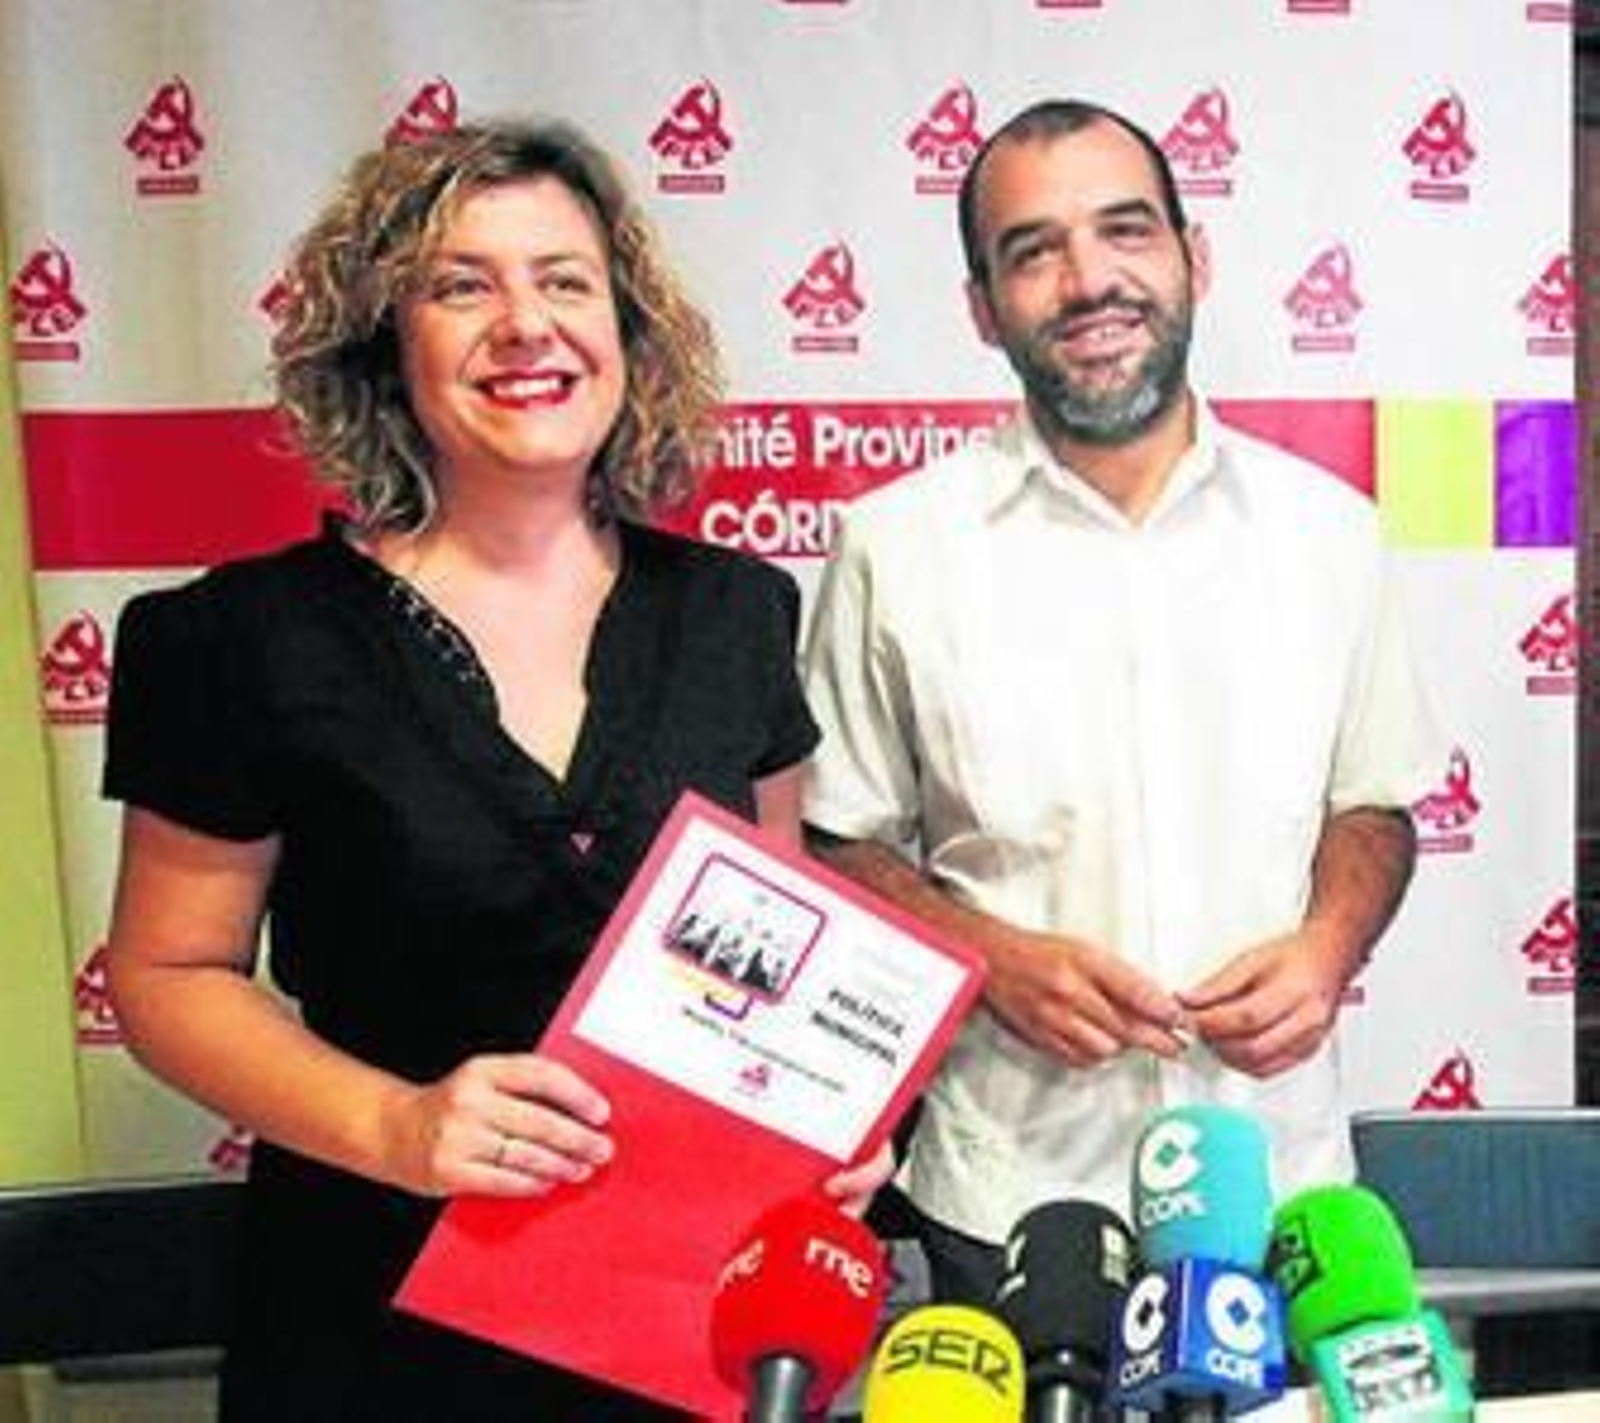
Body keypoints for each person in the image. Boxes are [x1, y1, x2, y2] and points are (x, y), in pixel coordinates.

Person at [102, 118, 886, 1421]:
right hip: (373, 1329)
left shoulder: (737, 610)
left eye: (565, 280)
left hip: (683, 1327)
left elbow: (780, 952)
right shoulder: (236, 636)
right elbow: (165, 972)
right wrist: (399, 1123)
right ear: (385, 348)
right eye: (462, 285)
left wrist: (823, 1127)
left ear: (630, 336)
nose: (526, 323)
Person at [802, 98, 1439, 1303]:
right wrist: (984, 957)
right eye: (1032, 251)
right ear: (983, 307)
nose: (1088, 280)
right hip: (1009, 1194)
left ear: (1191, 259)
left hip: (1280, 1187)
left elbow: (1374, 805)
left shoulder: (1330, 534)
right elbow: (835, 835)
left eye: (1125, 231)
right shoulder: (893, 546)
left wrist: (1328, 943)